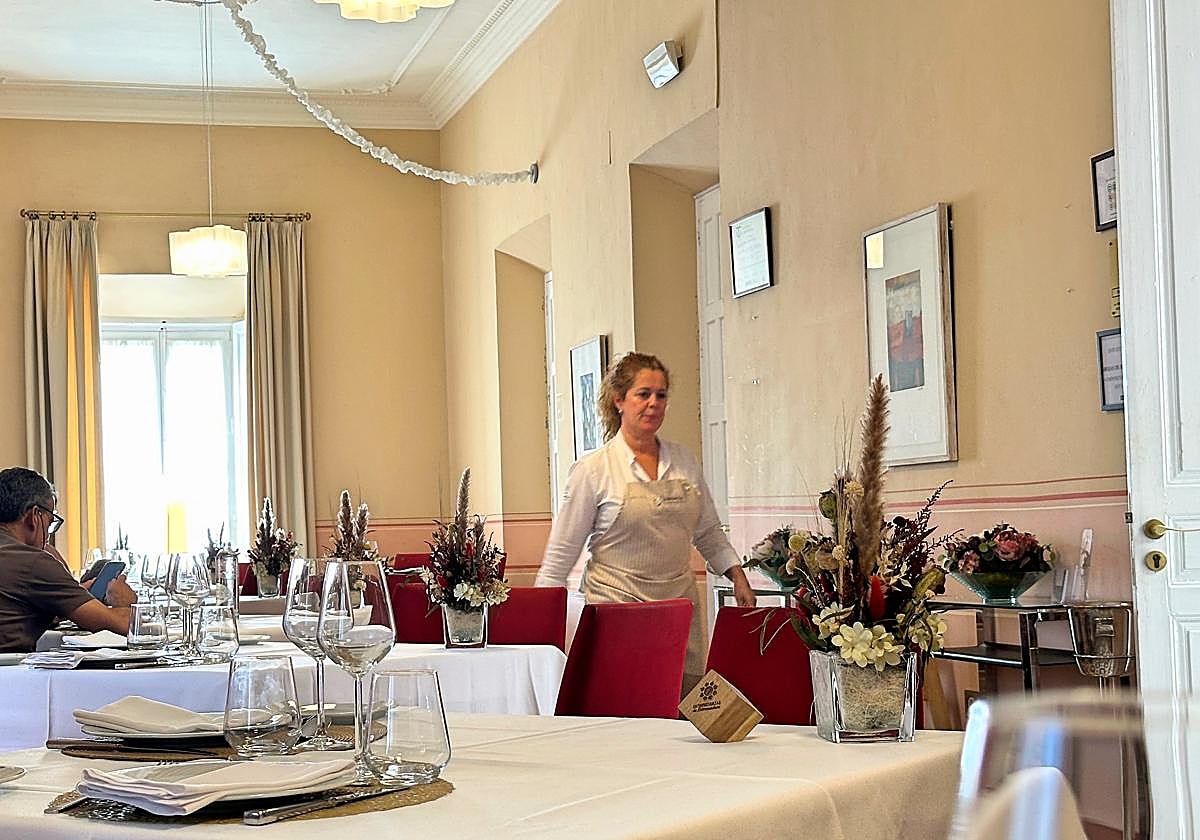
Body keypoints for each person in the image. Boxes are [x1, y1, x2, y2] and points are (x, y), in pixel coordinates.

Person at [536, 352, 756, 690]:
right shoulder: (594, 470)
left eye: (661, 395)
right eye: (643, 394)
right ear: (619, 400)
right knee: (623, 704)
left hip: (679, 612)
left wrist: (737, 576)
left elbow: (708, 531)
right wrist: (541, 625)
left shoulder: (683, 461)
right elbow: (560, 556)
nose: (654, 403)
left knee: (679, 705)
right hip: (615, 613)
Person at [0, 467, 136, 653]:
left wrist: (66, 602)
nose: (48, 536)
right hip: (12, 670)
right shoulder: (31, 561)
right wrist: (126, 603)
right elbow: (120, 626)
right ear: (34, 516)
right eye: (50, 523)